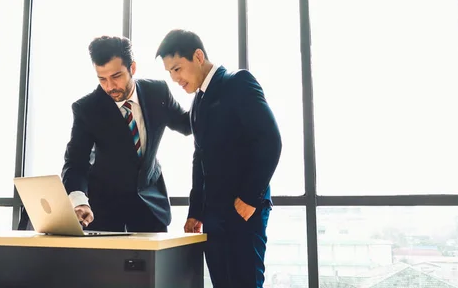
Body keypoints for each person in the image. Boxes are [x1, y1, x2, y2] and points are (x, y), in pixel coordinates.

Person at [18, 35, 191, 232]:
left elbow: (186, 125)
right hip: (104, 210)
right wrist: (79, 201)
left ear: (132, 68)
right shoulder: (87, 109)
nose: (110, 87)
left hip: (151, 208)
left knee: (155, 263)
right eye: (102, 79)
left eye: (116, 77)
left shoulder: (157, 92)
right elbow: (76, 162)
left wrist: (203, 87)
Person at [156, 29, 282, 288]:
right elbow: (199, 157)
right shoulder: (197, 102)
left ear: (198, 56)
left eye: (178, 69)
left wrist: (249, 197)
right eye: (170, 72)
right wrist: (195, 211)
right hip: (213, 217)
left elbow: (270, 141)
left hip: (244, 211)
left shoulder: (238, 82)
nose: (175, 78)